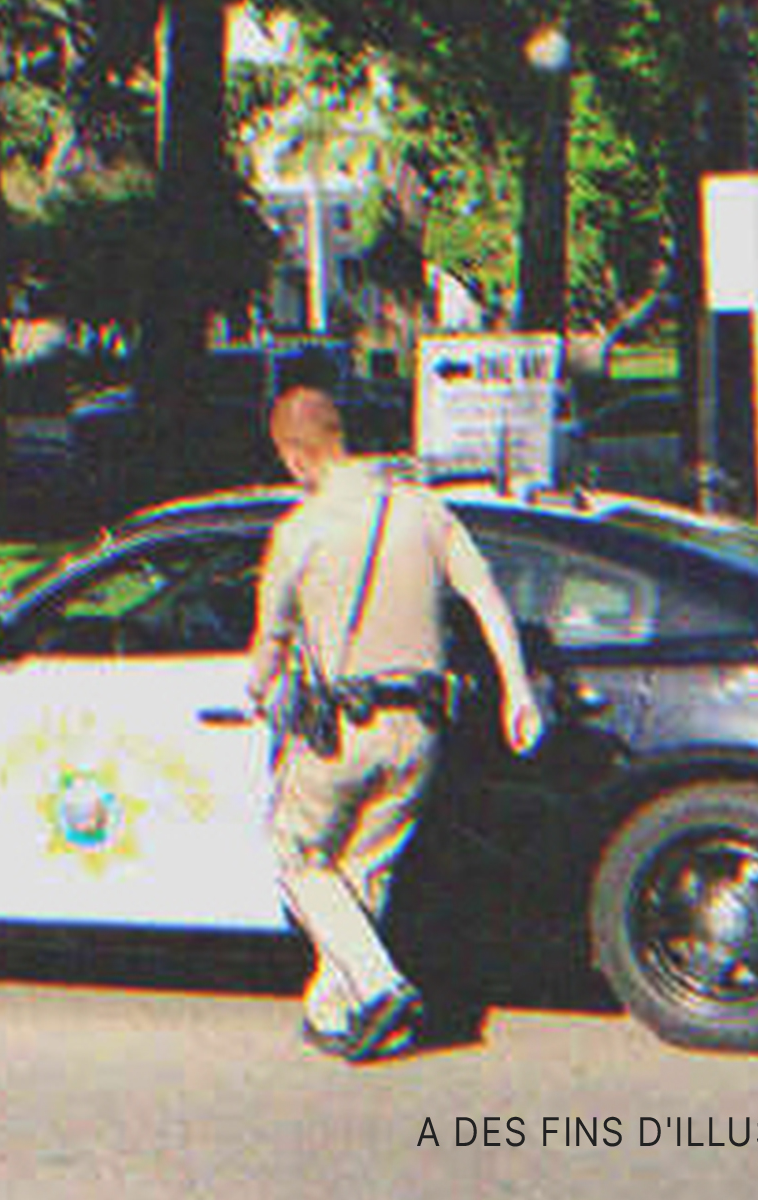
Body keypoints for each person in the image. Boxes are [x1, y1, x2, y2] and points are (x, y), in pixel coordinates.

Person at [248, 385, 545, 1063]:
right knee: (362, 870)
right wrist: (517, 692)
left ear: (295, 455)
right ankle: (334, 1010)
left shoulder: (301, 531)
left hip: (341, 727)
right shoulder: (424, 509)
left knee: (296, 854)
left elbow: (271, 640)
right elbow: (488, 599)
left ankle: (380, 986)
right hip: (420, 729)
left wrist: (255, 688)